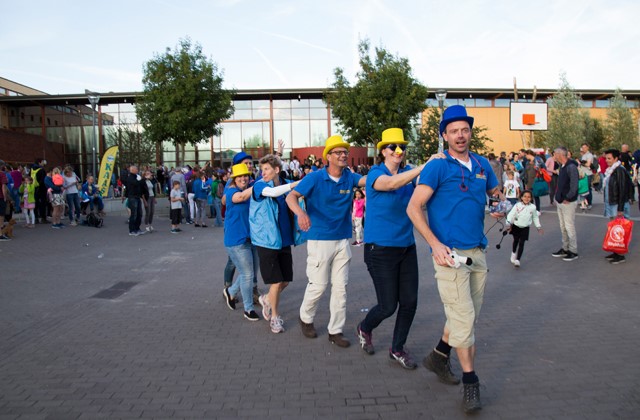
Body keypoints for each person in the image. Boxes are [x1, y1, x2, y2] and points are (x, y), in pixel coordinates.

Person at [407, 105, 501, 414]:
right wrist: (435, 245)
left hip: (478, 251)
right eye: (454, 131)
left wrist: (501, 205)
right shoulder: (437, 166)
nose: (460, 135)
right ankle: (470, 383)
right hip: (449, 255)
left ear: (470, 132)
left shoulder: (481, 163)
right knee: (465, 320)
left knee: (467, 314)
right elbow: (413, 208)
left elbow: (495, 192)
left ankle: (438, 354)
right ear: (444, 135)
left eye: (465, 129)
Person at [355, 128, 436, 369]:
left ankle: (397, 348)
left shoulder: (407, 178)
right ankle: (365, 327)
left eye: (402, 147)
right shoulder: (375, 174)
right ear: (383, 151)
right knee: (388, 305)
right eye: (393, 147)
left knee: (410, 302)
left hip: (406, 247)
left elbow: (422, 201)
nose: (398, 151)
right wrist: (423, 167)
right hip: (379, 249)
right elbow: (390, 185)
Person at [286, 135, 366, 348]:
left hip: (342, 240)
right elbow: (290, 197)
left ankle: (335, 330)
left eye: (344, 152)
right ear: (328, 156)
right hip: (320, 239)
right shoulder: (314, 178)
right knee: (319, 285)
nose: (343, 156)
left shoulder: (349, 177)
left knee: (341, 288)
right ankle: (305, 317)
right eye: (338, 152)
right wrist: (301, 214)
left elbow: (369, 181)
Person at [250, 155, 300, 333]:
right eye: (261, 169)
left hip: (284, 239)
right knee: (277, 282)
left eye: (266, 169)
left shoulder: (286, 183)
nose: (262, 173)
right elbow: (273, 193)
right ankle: (275, 317)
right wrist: (296, 184)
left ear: (276, 170)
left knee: (285, 281)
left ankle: (266, 299)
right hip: (267, 241)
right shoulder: (259, 186)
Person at [222, 163, 260, 321]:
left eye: (246, 176)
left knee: (249, 273)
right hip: (236, 240)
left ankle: (231, 292)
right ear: (234, 179)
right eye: (240, 176)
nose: (244, 178)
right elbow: (242, 197)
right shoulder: (232, 192)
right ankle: (248, 309)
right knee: (248, 274)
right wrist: (260, 185)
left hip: (250, 238)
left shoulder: (246, 189)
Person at [602, 148, 633, 264]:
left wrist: (620, 208)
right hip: (612, 204)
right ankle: (615, 252)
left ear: (616, 158)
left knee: (619, 230)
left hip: (617, 205)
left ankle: (620, 254)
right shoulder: (611, 170)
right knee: (613, 230)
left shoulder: (619, 170)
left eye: (609, 158)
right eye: (606, 158)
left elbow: (623, 189)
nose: (607, 160)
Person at [551, 147, 580, 261]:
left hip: (568, 202)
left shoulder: (571, 167)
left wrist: (568, 197)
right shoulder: (562, 167)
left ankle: (573, 250)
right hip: (561, 201)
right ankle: (565, 248)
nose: (554, 156)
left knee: (569, 226)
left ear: (560, 154)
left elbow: (574, 185)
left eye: (555, 154)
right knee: (563, 227)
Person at [505, 190, 543, 267]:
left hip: (525, 228)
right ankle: (513, 253)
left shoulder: (532, 207)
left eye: (529, 197)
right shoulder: (517, 205)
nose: (526, 198)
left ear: (531, 198)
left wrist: (538, 227)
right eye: (525, 196)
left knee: (522, 243)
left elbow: (535, 217)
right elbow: (511, 214)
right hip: (516, 226)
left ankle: (518, 260)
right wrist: (508, 223)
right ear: (521, 197)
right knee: (516, 241)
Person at [124, 165, 149, 236]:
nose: (137, 170)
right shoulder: (130, 178)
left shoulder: (136, 177)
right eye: (136, 169)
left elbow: (140, 185)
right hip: (132, 197)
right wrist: (144, 178)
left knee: (139, 214)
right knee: (134, 214)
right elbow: (136, 183)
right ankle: (132, 230)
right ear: (132, 170)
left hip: (137, 197)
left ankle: (137, 229)